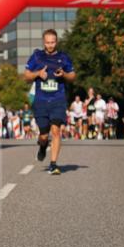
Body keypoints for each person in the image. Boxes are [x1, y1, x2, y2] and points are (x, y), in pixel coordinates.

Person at [23, 29, 76, 174]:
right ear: (44, 42)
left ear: (56, 42)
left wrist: (64, 74)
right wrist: (38, 73)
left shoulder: (63, 57)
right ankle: (42, 146)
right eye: (47, 42)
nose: (50, 45)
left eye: (53, 42)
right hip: (41, 100)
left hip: (58, 99)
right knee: (44, 135)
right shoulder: (37, 56)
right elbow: (26, 76)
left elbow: (72, 76)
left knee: (56, 130)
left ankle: (53, 164)